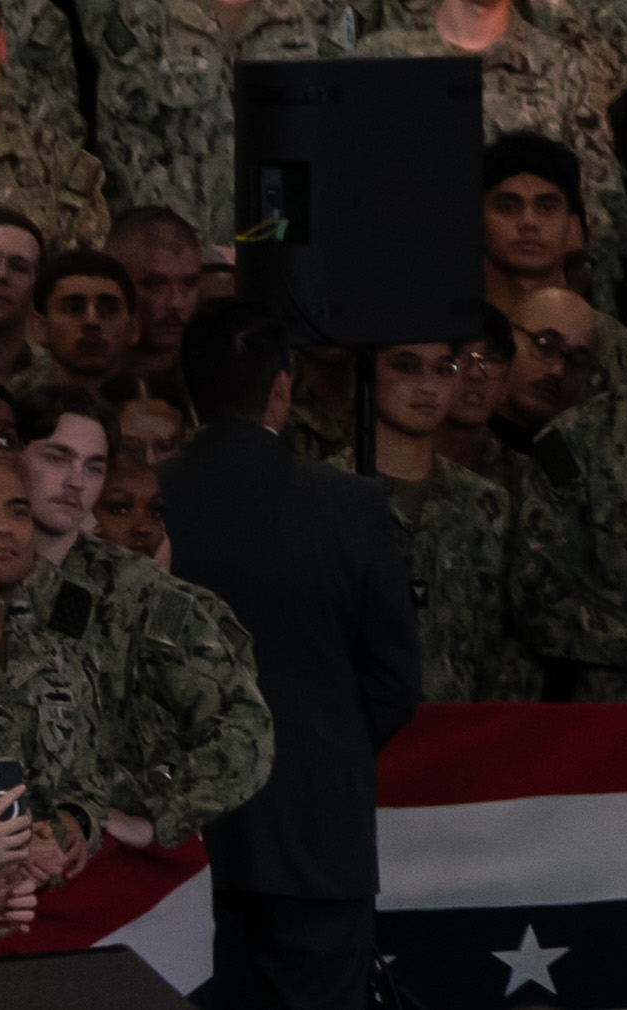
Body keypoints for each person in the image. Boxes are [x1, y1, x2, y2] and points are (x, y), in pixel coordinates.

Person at [166, 306, 419, 1010]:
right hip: (316, 839)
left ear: (190, 389)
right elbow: (396, 683)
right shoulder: (351, 506)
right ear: (283, 387)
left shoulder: (147, 502)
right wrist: (319, 749)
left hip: (180, 844)